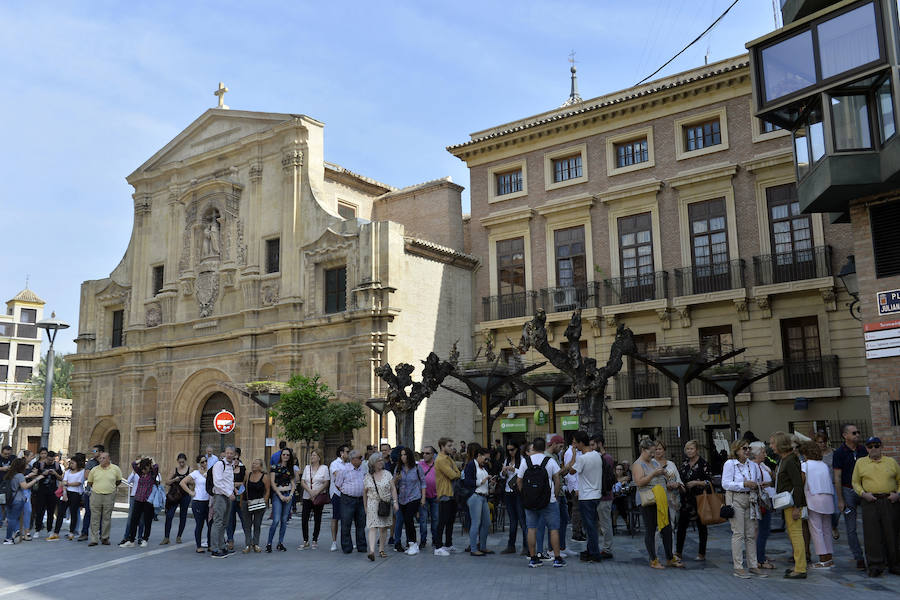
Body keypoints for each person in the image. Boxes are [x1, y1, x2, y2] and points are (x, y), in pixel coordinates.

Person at [851, 436, 900, 577]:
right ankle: (875, 565)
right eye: (870, 446)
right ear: (866, 448)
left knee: (893, 533)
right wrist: (862, 494)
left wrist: (898, 494)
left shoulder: (891, 462)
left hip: (889, 499)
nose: (873, 449)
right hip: (870, 500)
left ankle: (895, 564)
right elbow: (855, 482)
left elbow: (899, 479)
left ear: (881, 447)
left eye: (876, 446)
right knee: (872, 534)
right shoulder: (861, 463)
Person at [722, 439, 766, 579]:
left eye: (748, 448)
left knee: (751, 534)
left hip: (751, 499)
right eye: (744, 448)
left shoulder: (752, 465)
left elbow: (757, 480)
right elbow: (726, 484)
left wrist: (757, 485)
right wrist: (743, 484)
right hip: (737, 498)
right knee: (738, 533)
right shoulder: (730, 464)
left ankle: (753, 565)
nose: (747, 450)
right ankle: (738, 566)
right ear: (736, 450)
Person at [632, 438, 679, 569]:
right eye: (650, 452)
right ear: (643, 450)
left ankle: (670, 557)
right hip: (648, 500)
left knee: (667, 528)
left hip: (661, 499)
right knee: (651, 530)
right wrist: (653, 473)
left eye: (654, 452)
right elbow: (639, 482)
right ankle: (653, 559)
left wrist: (664, 474)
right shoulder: (637, 464)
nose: (653, 455)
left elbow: (661, 475)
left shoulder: (653, 462)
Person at [518, 437, 564, 568]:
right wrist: (554, 495)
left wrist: (524, 495)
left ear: (533, 448)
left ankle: (533, 558)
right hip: (549, 501)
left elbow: (519, 480)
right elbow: (557, 480)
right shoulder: (549, 461)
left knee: (531, 529)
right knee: (553, 529)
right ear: (544, 448)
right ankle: (557, 559)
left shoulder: (525, 461)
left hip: (530, 501)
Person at [562, 431, 603, 562]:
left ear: (580, 443)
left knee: (589, 527)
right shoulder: (596, 455)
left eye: (575, 443)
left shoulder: (582, 458)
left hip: (586, 496)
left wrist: (573, 455)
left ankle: (594, 553)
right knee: (593, 525)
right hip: (596, 494)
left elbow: (572, 471)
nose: (574, 445)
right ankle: (591, 550)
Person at [771, 430, 807, 579]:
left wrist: (797, 507)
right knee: (793, 534)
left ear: (780, 444)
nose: (771, 446)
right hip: (788, 503)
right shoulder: (786, 459)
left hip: (792, 504)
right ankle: (799, 565)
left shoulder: (790, 460)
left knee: (796, 534)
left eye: (773, 443)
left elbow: (798, 484)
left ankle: (800, 568)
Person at [832, 423, 867, 570]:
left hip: (864, 491)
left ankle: (873, 555)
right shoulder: (839, 453)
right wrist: (840, 499)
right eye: (854, 433)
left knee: (870, 525)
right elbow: (837, 477)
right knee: (851, 527)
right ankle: (858, 557)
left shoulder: (863, 450)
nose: (857, 435)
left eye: (858, 432)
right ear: (845, 435)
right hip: (848, 490)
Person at [800, 440, 835, 569]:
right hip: (828, 498)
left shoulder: (805, 465)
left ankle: (822, 559)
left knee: (816, 530)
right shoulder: (823, 464)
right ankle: (829, 558)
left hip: (813, 498)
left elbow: (802, 482)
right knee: (826, 529)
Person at [675, 439, 711, 562]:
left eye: (691, 449)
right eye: (687, 449)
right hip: (686, 499)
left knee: (702, 526)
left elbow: (709, 482)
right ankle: (678, 552)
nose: (689, 451)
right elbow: (679, 477)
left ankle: (702, 553)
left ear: (697, 450)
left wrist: (696, 482)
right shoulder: (684, 464)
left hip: (700, 498)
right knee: (681, 526)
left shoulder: (703, 464)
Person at [364, 452, 397, 560]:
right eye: (378, 460)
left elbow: (393, 488)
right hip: (373, 503)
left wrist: (395, 502)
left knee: (383, 527)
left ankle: (381, 549)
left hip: (385, 503)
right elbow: (364, 493)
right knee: (372, 527)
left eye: (382, 460)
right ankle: (372, 551)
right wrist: (365, 507)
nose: (381, 462)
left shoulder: (387, 474)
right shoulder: (368, 476)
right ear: (373, 463)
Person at [120, 457, 159, 547]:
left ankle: (145, 539)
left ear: (149, 467)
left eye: (145, 468)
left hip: (147, 501)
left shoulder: (152, 475)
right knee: (134, 519)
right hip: (138, 499)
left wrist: (152, 460)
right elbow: (133, 464)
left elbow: (156, 467)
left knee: (147, 520)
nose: (144, 470)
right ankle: (131, 540)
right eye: (142, 469)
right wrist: (140, 460)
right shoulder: (141, 473)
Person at [86, 451, 123, 546]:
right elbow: (90, 482)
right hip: (96, 495)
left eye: (103, 458)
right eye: (100, 458)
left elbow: (118, 481)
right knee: (94, 518)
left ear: (108, 459)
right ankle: (94, 539)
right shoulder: (94, 469)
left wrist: (110, 487)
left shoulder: (115, 469)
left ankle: (105, 538)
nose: (101, 460)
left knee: (107, 518)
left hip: (109, 495)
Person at [394, 447, 426, 555]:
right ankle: (410, 543)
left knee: (408, 518)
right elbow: (393, 485)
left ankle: (413, 543)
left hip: (414, 497)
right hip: (402, 498)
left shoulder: (417, 467)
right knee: (406, 521)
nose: (403, 457)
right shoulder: (398, 468)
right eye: (401, 455)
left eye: (405, 455)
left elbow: (423, 483)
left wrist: (423, 498)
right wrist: (396, 480)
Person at [461, 446, 492, 556]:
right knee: (476, 523)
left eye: (488, 459)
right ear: (479, 456)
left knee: (487, 522)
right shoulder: (471, 465)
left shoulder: (483, 467)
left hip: (483, 496)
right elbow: (467, 481)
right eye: (485, 459)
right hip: (475, 496)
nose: (487, 461)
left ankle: (482, 546)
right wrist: (481, 481)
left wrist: (490, 483)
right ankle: (474, 548)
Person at [334, 449, 367, 554]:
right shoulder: (344, 470)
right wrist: (348, 492)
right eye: (360, 458)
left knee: (361, 524)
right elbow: (338, 484)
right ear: (353, 459)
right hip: (348, 499)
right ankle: (347, 547)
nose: (362, 460)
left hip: (361, 499)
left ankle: (361, 546)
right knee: (346, 523)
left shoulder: (363, 469)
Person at [750, 442, 776, 570]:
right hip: (761, 502)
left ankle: (760, 554)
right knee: (762, 530)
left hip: (768, 499)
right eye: (763, 452)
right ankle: (759, 558)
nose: (765, 455)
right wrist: (763, 485)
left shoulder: (763, 465)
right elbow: (754, 484)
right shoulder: (754, 466)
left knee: (763, 530)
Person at [2, 458, 41, 544]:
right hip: (17, 499)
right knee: (13, 519)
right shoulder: (19, 475)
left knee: (11, 518)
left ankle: (16, 532)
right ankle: (8, 538)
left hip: (8, 499)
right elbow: (25, 486)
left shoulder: (9, 474)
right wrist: (36, 479)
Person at [433, 437, 461, 556]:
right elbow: (452, 475)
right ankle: (438, 546)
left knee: (450, 521)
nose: (451, 448)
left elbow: (457, 473)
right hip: (445, 493)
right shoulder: (440, 459)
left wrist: (456, 472)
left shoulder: (448, 458)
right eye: (449, 446)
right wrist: (456, 473)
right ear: (442, 447)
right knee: (443, 521)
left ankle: (448, 544)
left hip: (452, 493)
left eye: (451, 445)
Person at [180, 455, 211, 553]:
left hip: (209, 501)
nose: (204, 463)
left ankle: (210, 544)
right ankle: (199, 546)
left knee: (210, 524)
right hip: (198, 501)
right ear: (198, 463)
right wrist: (190, 492)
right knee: (200, 524)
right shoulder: (195, 473)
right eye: (202, 462)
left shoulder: (210, 472)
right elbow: (182, 482)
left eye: (205, 461)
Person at [266, 447, 295, 552]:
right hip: (278, 495)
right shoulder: (274, 467)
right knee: (276, 520)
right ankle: (269, 543)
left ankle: (280, 542)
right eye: (284, 454)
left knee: (284, 520)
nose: (286, 456)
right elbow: (272, 482)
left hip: (288, 494)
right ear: (281, 455)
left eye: (288, 455)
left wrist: (290, 495)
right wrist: (280, 495)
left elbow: (293, 484)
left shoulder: (291, 468)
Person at [591, 434, 616, 559]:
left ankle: (607, 549)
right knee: (603, 524)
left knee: (605, 524)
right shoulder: (605, 458)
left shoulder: (605, 458)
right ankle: (605, 548)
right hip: (601, 495)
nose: (591, 447)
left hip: (604, 496)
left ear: (599, 444)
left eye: (593, 445)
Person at [49, 455, 86, 540]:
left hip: (76, 494)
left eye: (73, 463)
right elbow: (63, 482)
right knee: (61, 513)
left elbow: (78, 483)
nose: (71, 464)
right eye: (70, 463)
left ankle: (71, 532)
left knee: (73, 513)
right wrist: (64, 493)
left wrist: (68, 484)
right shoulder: (68, 471)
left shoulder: (82, 472)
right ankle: (56, 532)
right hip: (66, 493)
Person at [500, 440, 527, 555]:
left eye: (512, 449)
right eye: (508, 450)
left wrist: (513, 469)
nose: (510, 452)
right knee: (512, 520)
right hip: (508, 491)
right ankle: (511, 545)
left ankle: (526, 546)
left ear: (517, 449)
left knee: (522, 519)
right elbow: (502, 476)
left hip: (518, 492)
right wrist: (503, 472)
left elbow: (525, 473)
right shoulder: (506, 460)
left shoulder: (523, 460)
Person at [209, 445, 236, 558]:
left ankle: (222, 547)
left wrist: (233, 491)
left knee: (224, 523)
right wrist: (228, 493)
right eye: (227, 453)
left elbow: (229, 481)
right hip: (220, 496)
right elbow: (218, 482)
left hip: (228, 496)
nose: (229, 455)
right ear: (225, 453)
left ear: (234, 454)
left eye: (231, 453)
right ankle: (215, 549)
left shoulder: (231, 466)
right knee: (218, 522)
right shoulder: (220, 464)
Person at [299, 449, 329, 550]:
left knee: (317, 518)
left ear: (319, 457)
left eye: (314, 455)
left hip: (318, 496)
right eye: (311, 455)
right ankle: (305, 540)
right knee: (304, 518)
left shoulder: (324, 468)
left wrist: (316, 492)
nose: (312, 457)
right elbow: (302, 481)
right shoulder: (307, 468)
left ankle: (315, 539)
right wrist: (310, 491)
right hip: (307, 496)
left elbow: (326, 482)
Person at [31, 449, 62, 538]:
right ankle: (37, 529)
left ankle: (49, 529)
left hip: (52, 491)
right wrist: (43, 474)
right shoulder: (39, 464)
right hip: (41, 491)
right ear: (46, 458)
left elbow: (61, 478)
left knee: (51, 511)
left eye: (52, 460)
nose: (50, 462)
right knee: (39, 511)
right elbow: (34, 476)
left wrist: (55, 473)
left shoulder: (56, 465)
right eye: (48, 460)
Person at [815, 431, 840, 542]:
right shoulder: (814, 455)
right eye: (820, 442)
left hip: (833, 485)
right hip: (820, 486)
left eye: (824, 442)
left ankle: (833, 526)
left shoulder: (834, 453)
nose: (823, 444)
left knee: (836, 511)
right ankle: (825, 530)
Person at [161, 453, 191, 545]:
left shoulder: (190, 470)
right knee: (169, 515)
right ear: (177, 461)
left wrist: (186, 480)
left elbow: (194, 482)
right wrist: (175, 479)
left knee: (183, 516)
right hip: (174, 496)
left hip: (185, 495)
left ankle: (179, 536)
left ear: (185, 461)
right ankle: (166, 537)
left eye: (183, 462)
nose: (181, 464)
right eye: (180, 462)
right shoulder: (174, 470)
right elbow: (166, 482)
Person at [654, 441, 683, 527]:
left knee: (673, 525)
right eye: (655, 449)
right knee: (660, 526)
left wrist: (677, 484)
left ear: (664, 450)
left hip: (672, 499)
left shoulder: (671, 464)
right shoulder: (650, 464)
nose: (658, 451)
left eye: (660, 449)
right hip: (658, 499)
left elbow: (678, 479)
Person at [243, 458, 269, 552]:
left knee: (257, 524)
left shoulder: (264, 477)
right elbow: (243, 487)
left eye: (256, 464)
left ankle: (256, 544)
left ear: (261, 466)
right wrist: (241, 501)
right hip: (247, 502)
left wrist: (264, 502)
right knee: (247, 524)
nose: (253, 465)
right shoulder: (248, 474)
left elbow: (267, 491)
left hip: (259, 504)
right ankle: (248, 544)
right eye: (253, 463)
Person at [77, 444, 102, 542]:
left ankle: (101, 534)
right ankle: (84, 533)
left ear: (100, 452)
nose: (93, 453)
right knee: (88, 513)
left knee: (101, 514)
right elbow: (87, 475)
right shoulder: (91, 463)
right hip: (90, 491)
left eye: (95, 451)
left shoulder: (106, 463)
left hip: (101, 492)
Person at [328, 445, 350, 552]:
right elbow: (337, 476)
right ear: (342, 453)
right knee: (336, 518)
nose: (348, 454)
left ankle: (347, 541)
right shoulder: (335, 464)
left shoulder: (349, 464)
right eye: (347, 452)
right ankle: (334, 542)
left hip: (347, 493)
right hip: (337, 493)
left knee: (347, 518)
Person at [225, 447, 248, 552]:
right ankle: (230, 539)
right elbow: (225, 482)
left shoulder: (243, 469)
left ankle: (248, 540)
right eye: (233, 458)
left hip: (240, 496)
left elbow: (245, 482)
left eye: (236, 458)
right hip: (230, 496)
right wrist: (234, 485)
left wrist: (237, 486)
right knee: (230, 519)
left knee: (244, 518)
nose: (235, 460)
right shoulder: (227, 468)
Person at [417, 446, 439, 549]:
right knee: (423, 520)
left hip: (436, 497)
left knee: (436, 519)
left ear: (433, 454)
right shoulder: (419, 465)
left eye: (427, 453)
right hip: (423, 497)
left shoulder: (438, 465)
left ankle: (435, 540)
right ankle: (423, 540)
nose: (424, 455)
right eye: (423, 453)